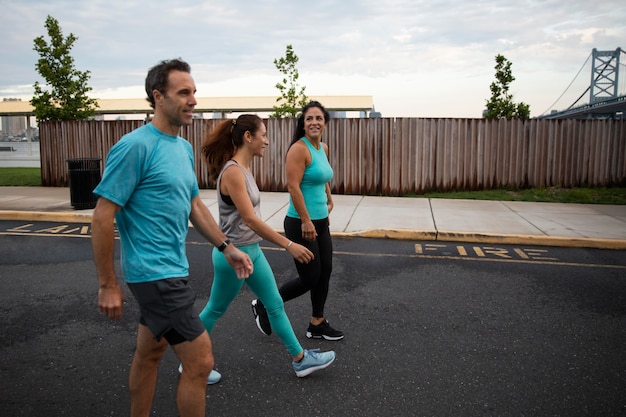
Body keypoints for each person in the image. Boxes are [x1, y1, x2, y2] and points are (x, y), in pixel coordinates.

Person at [91, 58, 253, 417]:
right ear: (158, 97)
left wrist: (226, 247)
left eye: (194, 92)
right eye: (184, 92)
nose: (193, 99)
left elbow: (194, 204)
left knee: (150, 353)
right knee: (200, 362)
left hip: (172, 268)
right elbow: (103, 217)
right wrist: (107, 284)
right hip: (153, 274)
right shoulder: (135, 147)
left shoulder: (181, 148)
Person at [199, 114, 336, 378]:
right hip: (234, 255)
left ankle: (300, 359)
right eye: (263, 135)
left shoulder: (244, 169)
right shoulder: (233, 172)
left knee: (274, 304)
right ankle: (191, 359)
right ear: (248, 137)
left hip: (252, 251)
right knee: (215, 309)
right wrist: (288, 244)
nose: (267, 141)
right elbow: (249, 219)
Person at [252, 101, 344, 341]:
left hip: (321, 221)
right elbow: (293, 186)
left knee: (325, 272)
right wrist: (306, 220)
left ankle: (317, 322)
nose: (314, 122)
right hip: (300, 223)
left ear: (325, 122)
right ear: (303, 124)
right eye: (309, 118)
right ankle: (264, 304)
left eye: (318, 118)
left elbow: (323, 176)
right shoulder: (298, 149)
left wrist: (329, 198)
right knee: (310, 277)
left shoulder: (322, 147)